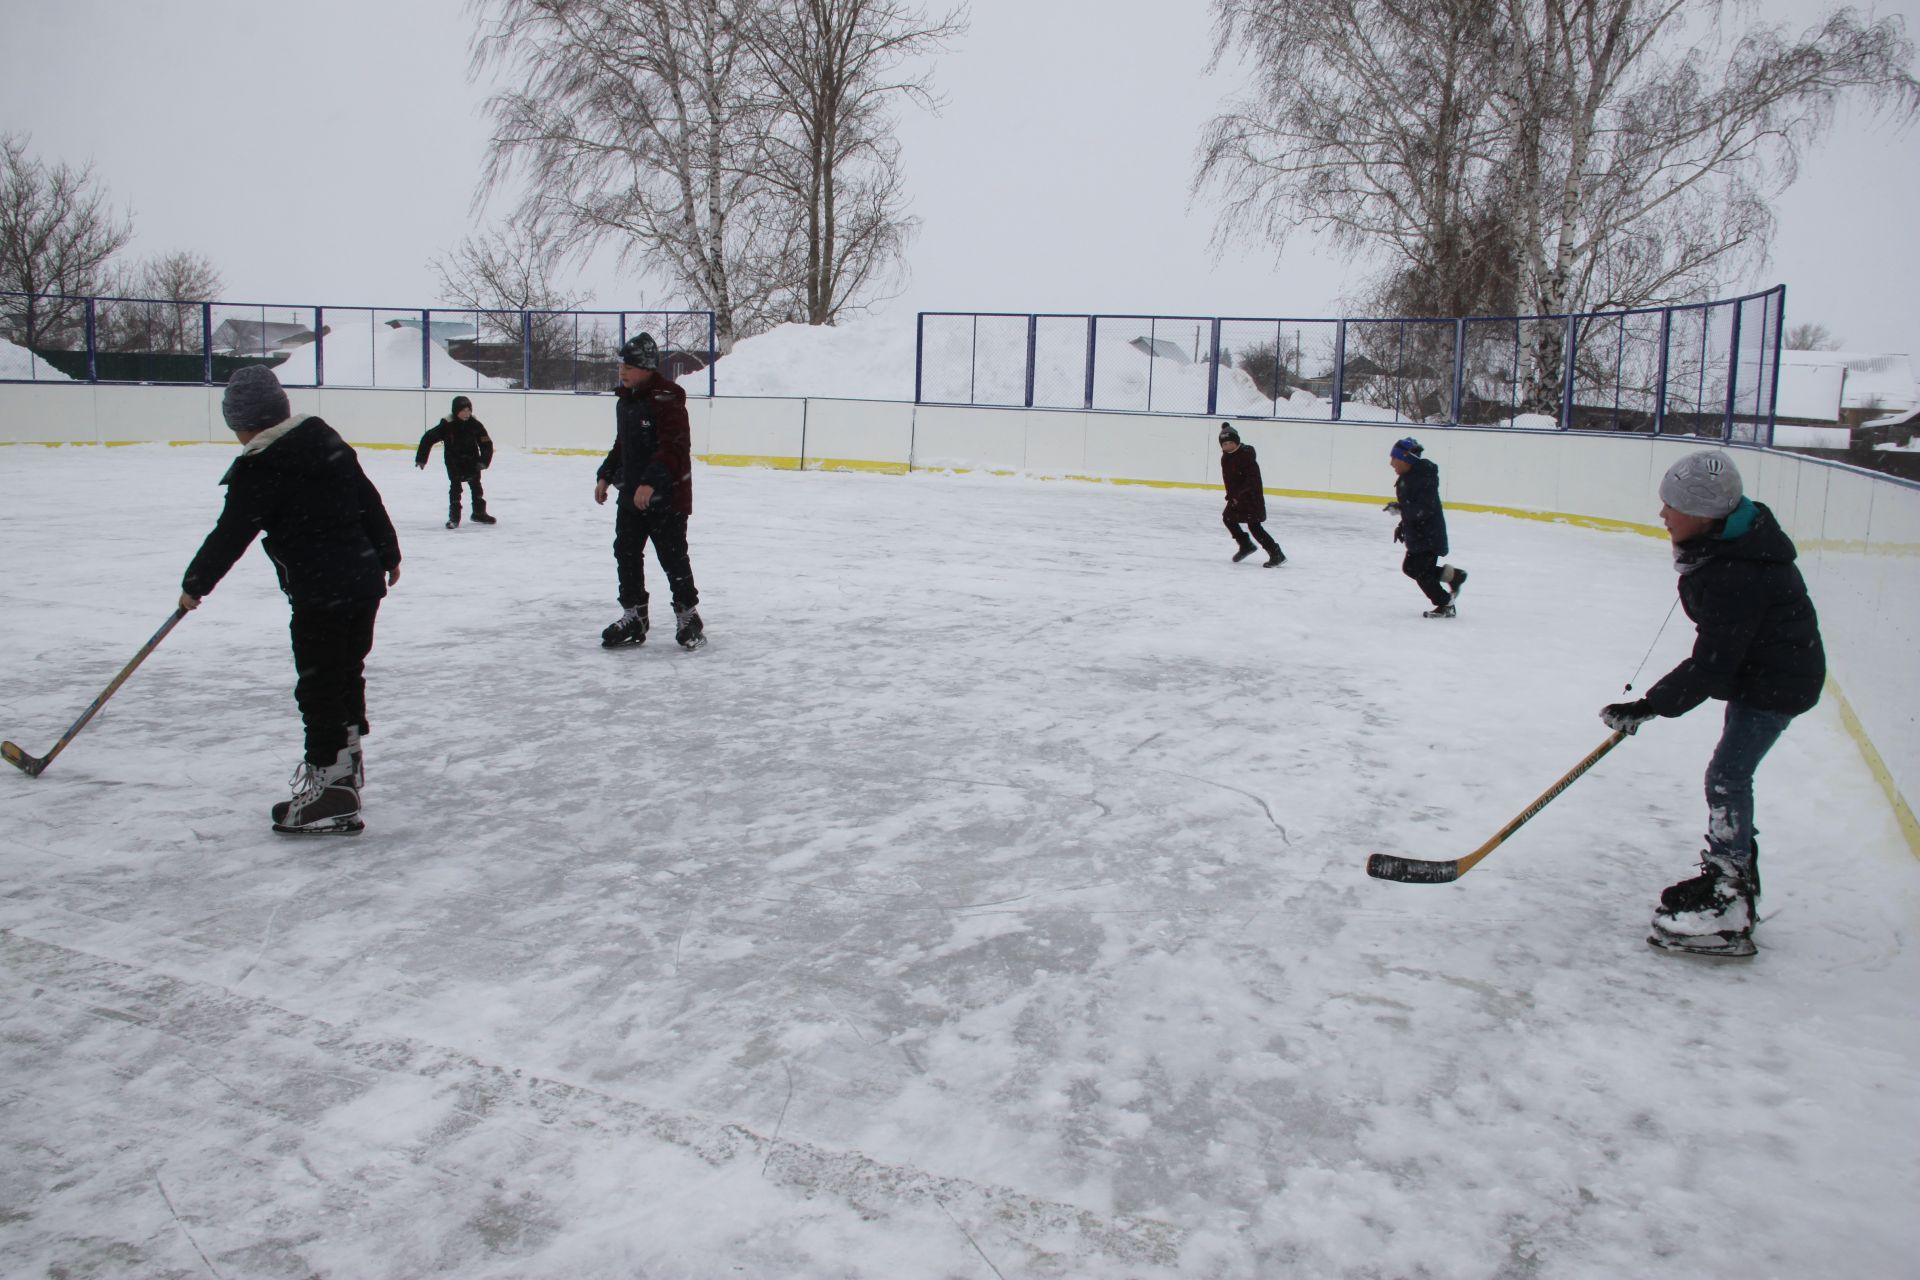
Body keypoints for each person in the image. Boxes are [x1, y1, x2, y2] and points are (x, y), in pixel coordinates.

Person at [1599, 449, 1825, 958]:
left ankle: (1731, 904)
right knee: (1728, 776)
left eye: (1671, 506)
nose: (1662, 515)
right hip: (1764, 671)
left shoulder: (1737, 571)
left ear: (1703, 515)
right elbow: (1723, 650)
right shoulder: (1732, 545)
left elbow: (1714, 662)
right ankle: (1732, 878)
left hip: (1777, 683)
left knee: (1727, 778)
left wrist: (1649, 705)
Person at [178, 365, 402, 834]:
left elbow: (231, 533)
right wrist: (388, 553)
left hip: (321, 590)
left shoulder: (261, 466)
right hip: (363, 581)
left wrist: (196, 583)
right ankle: (345, 768)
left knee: (319, 685)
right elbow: (369, 499)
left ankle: (331, 790)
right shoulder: (324, 441)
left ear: (243, 423)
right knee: (344, 674)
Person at [594, 332, 705, 650]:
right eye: (621, 365)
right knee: (626, 553)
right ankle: (635, 616)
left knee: (672, 558)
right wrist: (605, 475)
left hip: (667, 495)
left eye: (629, 366)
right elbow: (622, 446)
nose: (623, 371)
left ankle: (689, 615)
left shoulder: (667, 398)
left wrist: (651, 482)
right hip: (631, 494)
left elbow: (673, 446)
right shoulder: (625, 402)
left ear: (646, 367)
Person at [1384, 436, 1467, 617]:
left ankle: (1446, 604)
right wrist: (1403, 524)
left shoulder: (1422, 478)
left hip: (1429, 535)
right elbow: (1413, 507)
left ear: (1406, 459)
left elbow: (1425, 508)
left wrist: (1402, 510)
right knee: (1410, 568)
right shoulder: (1409, 477)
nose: (1391, 463)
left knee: (1422, 574)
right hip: (1418, 533)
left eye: (1394, 458)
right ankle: (1454, 576)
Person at [415, 395, 495, 528]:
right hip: (454, 462)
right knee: (455, 488)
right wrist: (421, 459)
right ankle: (454, 518)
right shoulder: (447, 425)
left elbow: (486, 443)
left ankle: (479, 513)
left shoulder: (475, 425)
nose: (466, 413)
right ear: (456, 411)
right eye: (463, 410)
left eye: (469, 410)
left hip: (472, 460)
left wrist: (484, 461)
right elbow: (428, 438)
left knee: (476, 486)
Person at [1218, 423, 1285, 567]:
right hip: (1236, 497)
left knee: (1254, 526)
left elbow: (1252, 479)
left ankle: (1276, 553)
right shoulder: (1225, 458)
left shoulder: (1246, 455)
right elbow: (1229, 479)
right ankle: (1245, 544)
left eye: (1231, 443)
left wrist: (1239, 494)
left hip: (1250, 497)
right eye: (1225, 444)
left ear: (1237, 442)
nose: (1228, 446)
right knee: (1228, 518)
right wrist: (1231, 495)